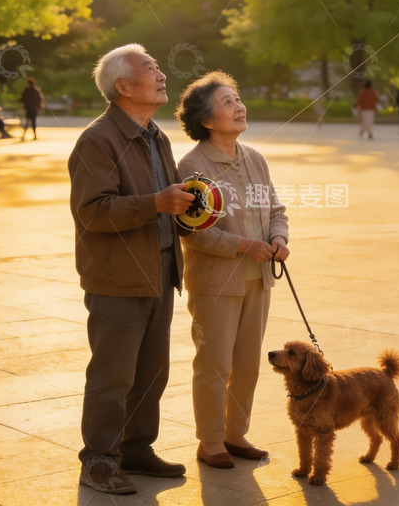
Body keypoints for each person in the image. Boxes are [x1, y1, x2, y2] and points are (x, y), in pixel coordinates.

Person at [68, 44, 195, 495]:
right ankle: (100, 462)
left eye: (158, 66)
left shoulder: (155, 135)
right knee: (112, 376)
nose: (161, 73)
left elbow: (164, 201)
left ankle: (137, 449)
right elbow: (93, 212)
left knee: (151, 371)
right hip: (118, 278)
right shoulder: (97, 140)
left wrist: (190, 206)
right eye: (150, 68)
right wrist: (156, 203)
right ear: (123, 86)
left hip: (160, 270)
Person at [175, 71, 289, 470]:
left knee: (248, 363)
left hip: (259, 280)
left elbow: (275, 208)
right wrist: (245, 245)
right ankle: (209, 440)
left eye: (237, 99)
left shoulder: (254, 158)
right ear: (207, 120)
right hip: (215, 283)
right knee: (214, 363)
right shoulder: (192, 166)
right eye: (227, 102)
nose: (239, 107)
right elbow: (193, 233)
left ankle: (235, 433)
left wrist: (278, 238)